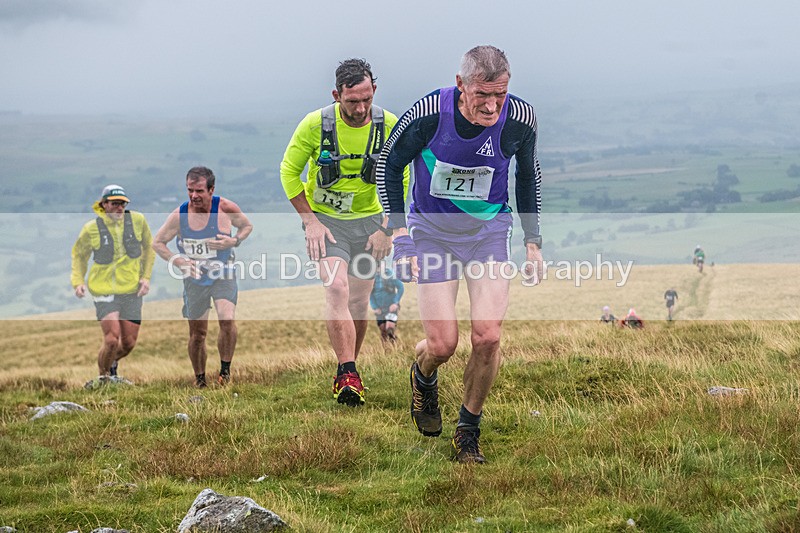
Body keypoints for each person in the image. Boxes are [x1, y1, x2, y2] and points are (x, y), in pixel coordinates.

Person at [376, 45, 544, 463]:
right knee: (443, 343)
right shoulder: (429, 113)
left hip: (488, 232)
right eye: (481, 94)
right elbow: (387, 165)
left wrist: (532, 240)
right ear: (460, 84)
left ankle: (468, 430)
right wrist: (400, 236)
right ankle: (423, 375)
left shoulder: (520, 118)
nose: (491, 106)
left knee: (487, 336)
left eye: (500, 95)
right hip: (432, 234)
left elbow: (528, 174)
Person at [279, 58, 408, 407]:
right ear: (337, 95)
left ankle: (351, 370)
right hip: (327, 223)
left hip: (370, 224)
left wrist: (387, 228)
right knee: (336, 288)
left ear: (374, 91)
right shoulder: (314, 125)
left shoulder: (390, 125)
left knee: (358, 302)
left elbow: (402, 176)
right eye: (352, 101)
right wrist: (310, 221)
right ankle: (347, 371)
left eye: (366, 98)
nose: (361, 107)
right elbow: (289, 174)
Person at [152, 167, 253, 388]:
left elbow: (246, 225)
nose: (194, 196)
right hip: (194, 278)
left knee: (226, 319)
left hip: (222, 272)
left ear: (211, 190)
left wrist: (234, 241)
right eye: (190, 190)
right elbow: (157, 243)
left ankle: (225, 372)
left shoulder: (225, 207)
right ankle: (200, 379)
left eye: (199, 190)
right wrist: (178, 261)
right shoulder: (180, 215)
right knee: (198, 333)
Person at [71, 184, 155, 386]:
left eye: (122, 204)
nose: (119, 208)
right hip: (104, 289)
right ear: (104, 205)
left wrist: (146, 277)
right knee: (111, 340)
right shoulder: (91, 229)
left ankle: (112, 362)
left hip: (131, 289)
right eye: (115, 204)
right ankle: (103, 378)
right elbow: (79, 256)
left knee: (128, 343)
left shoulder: (138, 221)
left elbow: (149, 249)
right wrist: (78, 282)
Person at [370, 266, 404, 342]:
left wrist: (395, 303)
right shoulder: (372, 278)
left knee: (389, 330)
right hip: (380, 309)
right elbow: (370, 294)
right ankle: (385, 350)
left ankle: (395, 348)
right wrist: (375, 307)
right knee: (383, 330)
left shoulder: (390, 274)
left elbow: (401, 287)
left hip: (391, 308)